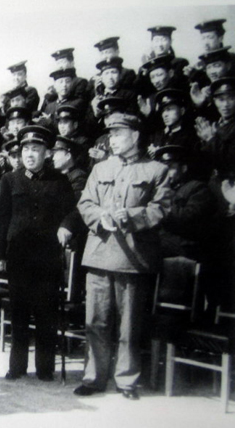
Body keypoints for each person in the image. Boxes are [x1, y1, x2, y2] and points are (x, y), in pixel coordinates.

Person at [74, 113, 172, 400]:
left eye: (118, 134)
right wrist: (99, 216)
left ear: (135, 136)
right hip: (99, 254)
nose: (112, 140)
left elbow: (161, 208)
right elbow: (85, 202)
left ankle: (126, 380)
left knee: (129, 323)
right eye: (110, 134)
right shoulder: (100, 168)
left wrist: (131, 216)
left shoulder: (157, 170)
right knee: (96, 321)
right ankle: (94, 377)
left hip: (133, 257)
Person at [0, 125, 76, 381]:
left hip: (48, 257)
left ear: (46, 153)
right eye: (26, 149)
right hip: (18, 256)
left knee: (46, 312)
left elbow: (73, 211)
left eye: (36, 149)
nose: (30, 154)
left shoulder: (60, 181)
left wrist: (66, 226)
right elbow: (0, 219)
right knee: (19, 311)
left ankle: (45, 368)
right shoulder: (10, 179)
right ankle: (17, 367)